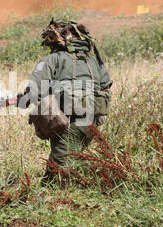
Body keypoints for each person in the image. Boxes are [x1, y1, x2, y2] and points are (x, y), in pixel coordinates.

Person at [17, 19, 113, 180]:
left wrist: (23, 99)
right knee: (70, 160)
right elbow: (105, 87)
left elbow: (35, 90)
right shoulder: (93, 60)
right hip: (93, 122)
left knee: (61, 172)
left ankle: (66, 198)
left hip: (70, 122)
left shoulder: (53, 59)